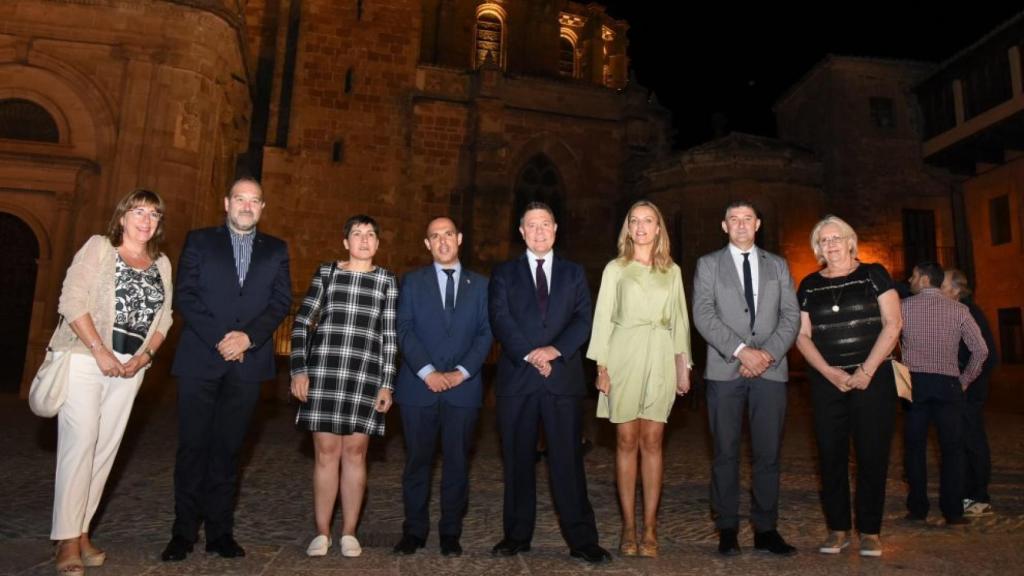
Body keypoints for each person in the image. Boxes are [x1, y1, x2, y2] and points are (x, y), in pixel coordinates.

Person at [162, 177, 292, 562]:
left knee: (229, 450)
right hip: (200, 359)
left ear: (262, 208)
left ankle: (220, 533)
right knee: (192, 448)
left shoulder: (276, 250)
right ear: (226, 203)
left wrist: (248, 338)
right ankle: (183, 533)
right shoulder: (200, 241)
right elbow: (185, 294)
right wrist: (222, 338)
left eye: (254, 200)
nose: (246, 206)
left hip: (248, 364)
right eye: (240, 199)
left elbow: (281, 301)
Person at [51, 189, 174, 574]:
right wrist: (100, 350)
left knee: (104, 451)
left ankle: (82, 531)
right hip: (86, 358)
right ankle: (66, 541)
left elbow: (166, 318)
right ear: (122, 217)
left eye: (153, 214)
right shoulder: (100, 248)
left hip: (130, 368)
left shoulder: (161, 263)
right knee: (80, 444)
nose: (146, 220)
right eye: (138, 211)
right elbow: (72, 300)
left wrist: (144, 357)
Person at [488, 202, 611, 563]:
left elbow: (583, 319)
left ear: (556, 229)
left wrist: (553, 351)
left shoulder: (574, 273)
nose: (539, 231)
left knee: (568, 461)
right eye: (531, 225)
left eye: (545, 224)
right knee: (517, 460)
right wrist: (530, 354)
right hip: (518, 378)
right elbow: (500, 318)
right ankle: (516, 535)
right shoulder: (504, 274)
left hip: (562, 378)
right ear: (521, 232)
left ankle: (582, 539)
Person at [692, 200, 800, 557]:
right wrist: (741, 351)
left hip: (771, 370)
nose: (741, 224)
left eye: (747, 218)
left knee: (768, 453)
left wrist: (766, 354)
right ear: (724, 226)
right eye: (734, 219)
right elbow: (703, 313)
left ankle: (766, 529)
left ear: (758, 224)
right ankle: (727, 528)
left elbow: (791, 316)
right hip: (725, 370)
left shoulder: (778, 265)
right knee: (725, 451)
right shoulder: (708, 264)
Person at [586, 200, 691, 558]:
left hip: (660, 354)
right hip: (623, 355)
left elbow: (680, 321)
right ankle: (628, 526)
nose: (642, 227)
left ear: (659, 228)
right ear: (628, 229)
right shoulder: (615, 269)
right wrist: (601, 368)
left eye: (648, 221)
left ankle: (650, 527)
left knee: (653, 440)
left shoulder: (672, 271)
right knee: (626, 440)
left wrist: (683, 367)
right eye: (635, 221)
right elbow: (603, 318)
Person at [290, 214, 398, 558]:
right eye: (357, 233)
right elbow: (302, 323)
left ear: (377, 243)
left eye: (370, 234)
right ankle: (322, 532)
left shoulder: (387, 281)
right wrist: (299, 370)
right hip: (324, 374)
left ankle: (349, 532)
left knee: (355, 453)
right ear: (345, 241)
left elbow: (389, 336)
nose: (364, 239)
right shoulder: (327, 273)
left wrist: (387, 383)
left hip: (365, 377)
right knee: (326, 453)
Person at [794, 215, 901, 557]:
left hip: (874, 379)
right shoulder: (808, 285)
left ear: (850, 241)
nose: (831, 244)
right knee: (830, 456)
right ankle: (837, 529)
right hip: (827, 383)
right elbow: (802, 335)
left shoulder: (874, 274)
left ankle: (870, 531)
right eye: (823, 240)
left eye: (836, 238)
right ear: (817, 247)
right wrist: (828, 372)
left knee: (872, 455)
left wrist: (866, 370)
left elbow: (893, 324)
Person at [392, 217, 492, 557]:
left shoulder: (481, 285)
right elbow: (404, 329)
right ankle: (414, 531)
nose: (443, 241)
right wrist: (428, 372)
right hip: (418, 388)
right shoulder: (412, 282)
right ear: (427, 244)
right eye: (435, 236)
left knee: (457, 463)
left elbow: (486, 333)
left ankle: (451, 532)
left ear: (459, 238)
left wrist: (461, 372)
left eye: (448, 234)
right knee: (417, 463)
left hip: (464, 389)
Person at [901, 262, 988, 526]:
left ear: (925, 279)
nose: (910, 279)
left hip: (915, 384)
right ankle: (953, 511)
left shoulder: (903, 307)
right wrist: (965, 380)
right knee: (952, 450)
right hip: (949, 385)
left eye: (914, 276)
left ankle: (918, 508)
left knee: (914, 449)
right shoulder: (959, 310)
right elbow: (981, 350)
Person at [941, 269, 998, 517]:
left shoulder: (968, 312)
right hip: (961, 385)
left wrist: (965, 381)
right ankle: (966, 492)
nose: (937, 289)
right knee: (960, 439)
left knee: (972, 439)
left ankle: (979, 496)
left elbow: (984, 354)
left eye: (942, 285)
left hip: (970, 386)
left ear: (956, 289)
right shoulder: (955, 311)